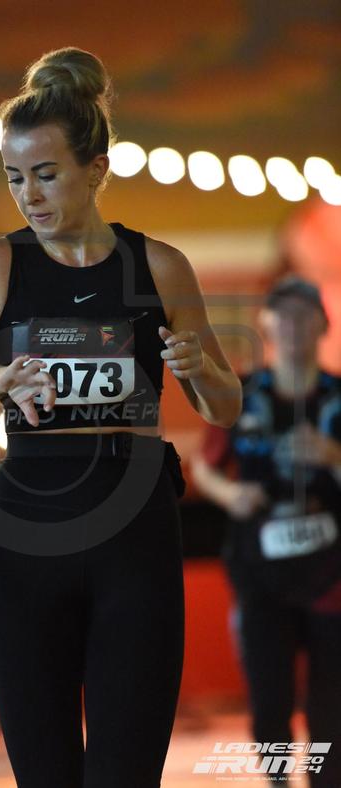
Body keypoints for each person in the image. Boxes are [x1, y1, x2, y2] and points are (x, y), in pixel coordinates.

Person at [0, 46, 242, 788]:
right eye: (14, 176)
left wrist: (199, 369)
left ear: (96, 169)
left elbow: (226, 404)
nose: (29, 195)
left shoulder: (160, 267)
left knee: (126, 773)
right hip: (26, 531)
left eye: (47, 174)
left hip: (134, 529)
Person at [191, 274, 341, 787]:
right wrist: (231, 494)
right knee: (269, 693)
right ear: (266, 324)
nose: (294, 324)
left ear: (324, 324)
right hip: (259, 570)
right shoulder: (241, 394)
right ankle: (277, 780)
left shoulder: (337, 397)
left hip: (332, 576)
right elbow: (204, 466)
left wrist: (333, 456)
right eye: (284, 314)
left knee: (332, 699)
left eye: (305, 314)